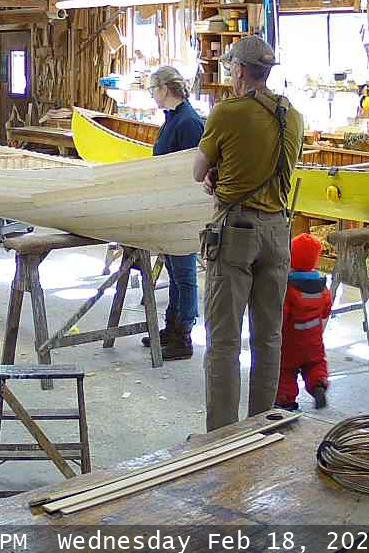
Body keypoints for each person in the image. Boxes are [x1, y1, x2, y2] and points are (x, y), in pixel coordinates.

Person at [191, 35, 304, 432]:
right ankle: (262, 428)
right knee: (268, 337)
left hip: (236, 232)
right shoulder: (293, 116)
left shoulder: (228, 112)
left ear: (239, 70)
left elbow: (198, 171)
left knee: (224, 341)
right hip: (278, 231)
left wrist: (218, 175)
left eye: (230, 68)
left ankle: (223, 437)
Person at [139, 66, 205, 360]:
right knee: (175, 271)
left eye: (153, 89)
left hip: (182, 208)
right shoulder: (172, 119)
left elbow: (193, 171)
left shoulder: (188, 122)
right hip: (168, 205)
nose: (152, 94)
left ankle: (184, 335)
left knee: (184, 273)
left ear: (165, 89)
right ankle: (172, 326)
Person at [275, 233, 331, 411]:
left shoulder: (288, 289)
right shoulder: (322, 289)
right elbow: (325, 313)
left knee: (285, 371)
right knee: (315, 364)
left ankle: (286, 401)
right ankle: (318, 385)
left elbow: (280, 318)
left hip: (290, 343)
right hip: (314, 341)